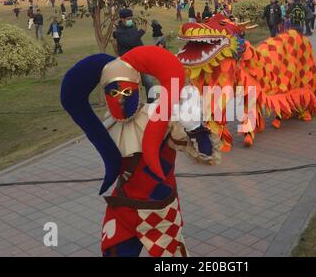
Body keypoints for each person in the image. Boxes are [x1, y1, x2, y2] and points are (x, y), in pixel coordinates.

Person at [61, 47, 221, 257]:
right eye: (113, 93)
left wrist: (195, 129)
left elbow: (204, 154)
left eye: (127, 92)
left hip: (160, 211)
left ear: (137, 88)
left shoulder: (162, 120)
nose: (120, 99)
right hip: (122, 209)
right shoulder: (108, 127)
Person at [113, 8, 154, 103]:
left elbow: (137, 41)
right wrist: (142, 31)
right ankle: (132, 106)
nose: (130, 20)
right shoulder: (118, 32)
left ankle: (151, 103)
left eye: (131, 18)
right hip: (128, 62)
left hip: (140, 59)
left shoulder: (133, 26)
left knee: (148, 81)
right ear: (122, 19)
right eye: (128, 19)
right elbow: (130, 42)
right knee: (131, 85)